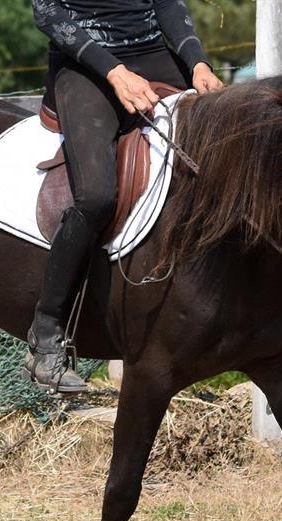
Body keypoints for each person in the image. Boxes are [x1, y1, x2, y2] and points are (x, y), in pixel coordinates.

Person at [27, 0, 225, 393]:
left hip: (154, 55)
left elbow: (167, 4)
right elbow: (47, 14)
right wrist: (116, 74)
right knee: (97, 195)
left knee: (228, 156)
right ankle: (46, 330)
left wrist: (197, 61)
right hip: (85, 66)